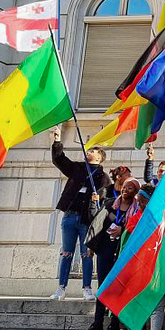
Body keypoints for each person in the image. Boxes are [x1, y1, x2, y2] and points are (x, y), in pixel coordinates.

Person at [50, 125, 111, 302]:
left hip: (87, 220)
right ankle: (61, 287)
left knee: (86, 254)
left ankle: (87, 288)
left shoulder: (103, 177)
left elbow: (105, 201)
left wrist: (96, 200)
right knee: (66, 253)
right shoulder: (76, 168)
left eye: (92, 150)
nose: (88, 151)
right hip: (70, 215)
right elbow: (60, 160)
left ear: (100, 157)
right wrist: (57, 141)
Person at [85, 176, 140, 330]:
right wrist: (91, 245)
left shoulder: (137, 209)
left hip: (123, 252)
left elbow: (138, 228)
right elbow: (97, 223)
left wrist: (122, 230)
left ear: (135, 192)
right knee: (103, 286)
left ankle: (115, 322)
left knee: (118, 287)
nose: (124, 189)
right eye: (123, 186)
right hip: (105, 249)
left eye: (129, 188)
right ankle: (97, 321)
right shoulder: (110, 203)